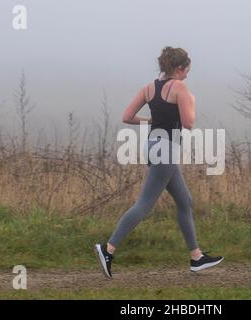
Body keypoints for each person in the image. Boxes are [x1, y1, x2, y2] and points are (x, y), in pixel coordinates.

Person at [95, 46, 224, 278]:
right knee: (143, 205)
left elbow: (127, 117)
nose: (187, 75)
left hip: (152, 146)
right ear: (178, 68)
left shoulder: (148, 88)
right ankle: (108, 249)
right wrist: (190, 101)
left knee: (185, 200)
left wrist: (151, 119)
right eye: (186, 70)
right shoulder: (180, 88)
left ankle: (196, 257)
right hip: (166, 150)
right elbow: (188, 122)